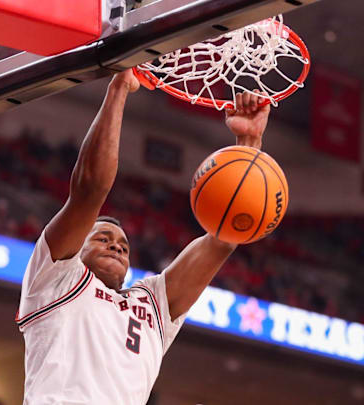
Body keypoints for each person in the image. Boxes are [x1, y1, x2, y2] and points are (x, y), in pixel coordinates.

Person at [15, 69, 270, 404]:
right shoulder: (55, 279)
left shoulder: (151, 302)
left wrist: (248, 144)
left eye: (123, 245)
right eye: (103, 238)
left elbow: (222, 237)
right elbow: (90, 190)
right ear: (78, 248)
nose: (116, 247)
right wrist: (119, 86)